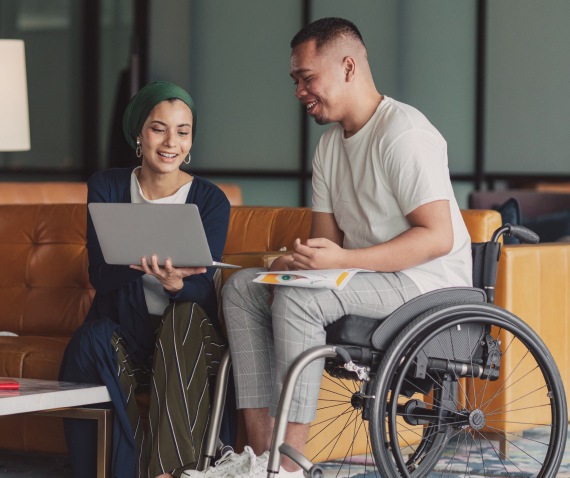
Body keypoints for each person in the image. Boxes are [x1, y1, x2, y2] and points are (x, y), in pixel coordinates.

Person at [189, 17, 472, 478]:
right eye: (295, 80)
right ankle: (264, 461)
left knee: (303, 297)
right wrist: (297, 261)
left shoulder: (404, 134)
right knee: (241, 287)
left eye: (307, 78)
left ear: (347, 67)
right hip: (367, 280)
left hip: (426, 284)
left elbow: (436, 236)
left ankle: (288, 466)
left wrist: (338, 262)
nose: (299, 90)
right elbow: (329, 244)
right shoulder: (329, 148)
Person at [59, 81, 232, 478]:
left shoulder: (209, 200)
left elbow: (204, 287)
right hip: (130, 336)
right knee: (91, 339)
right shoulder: (108, 186)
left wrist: (175, 284)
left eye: (183, 131)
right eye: (159, 128)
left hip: (189, 340)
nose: (171, 142)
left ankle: (168, 472)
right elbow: (99, 276)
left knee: (182, 319)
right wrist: (137, 261)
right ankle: (130, 470)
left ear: (191, 140)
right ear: (139, 134)